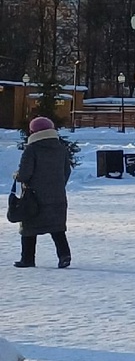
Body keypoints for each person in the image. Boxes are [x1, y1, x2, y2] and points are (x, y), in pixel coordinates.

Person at [12, 115, 71, 268]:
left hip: (34, 196)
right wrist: (58, 185)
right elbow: (67, 170)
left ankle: (27, 259)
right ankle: (64, 255)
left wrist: (17, 176)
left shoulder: (32, 149)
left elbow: (25, 174)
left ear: (33, 132)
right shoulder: (60, 148)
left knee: (29, 228)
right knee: (57, 227)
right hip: (57, 195)